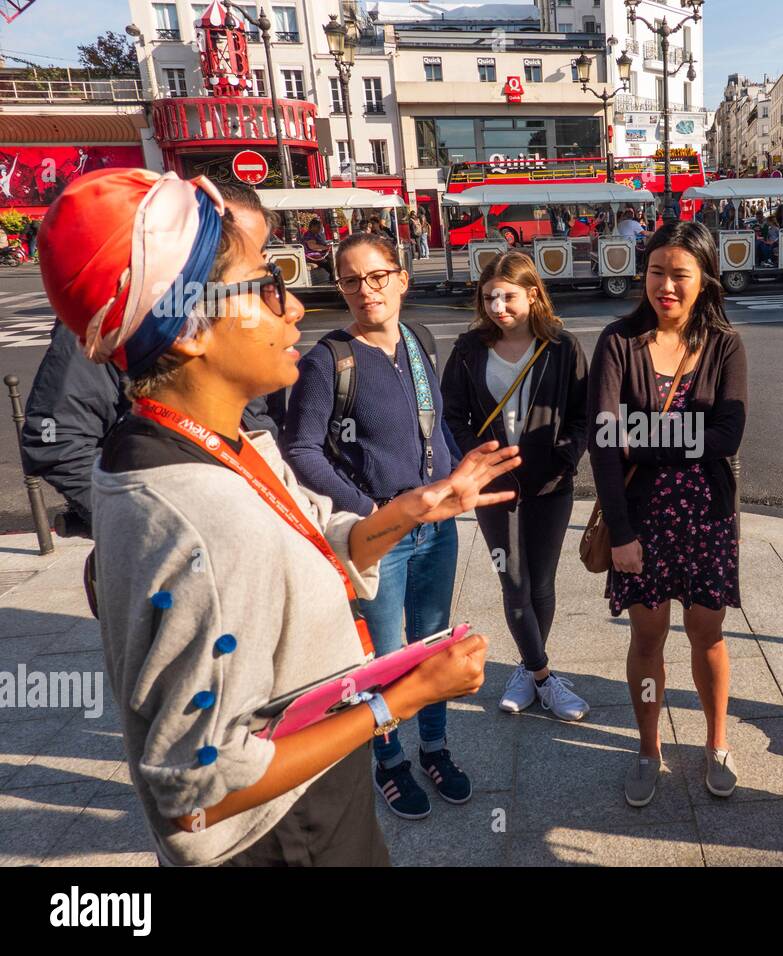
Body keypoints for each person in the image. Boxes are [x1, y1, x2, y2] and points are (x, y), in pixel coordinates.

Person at [37, 167, 517, 866]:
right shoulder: (192, 514)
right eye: (265, 287)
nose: (294, 308)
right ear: (193, 329)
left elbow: (315, 532)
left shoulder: (216, 441)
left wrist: (419, 505)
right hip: (284, 838)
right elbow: (196, 793)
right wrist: (399, 701)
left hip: (318, 803)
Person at [282, 231, 474, 818]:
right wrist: (370, 512)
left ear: (401, 278)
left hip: (437, 526)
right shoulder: (328, 360)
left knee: (435, 643)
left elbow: (433, 427)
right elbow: (302, 450)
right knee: (384, 657)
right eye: (351, 281)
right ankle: (389, 760)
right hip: (380, 536)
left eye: (378, 277)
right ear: (338, 287)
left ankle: (435, 748)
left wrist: (458, 473)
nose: (367, 292)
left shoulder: (420, 340)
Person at [20, 180, 281, 539]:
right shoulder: (123, 320)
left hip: (249, 525)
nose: (248, 267)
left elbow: (256, 420)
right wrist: (149, 529)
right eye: (231, 251)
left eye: (257, 256)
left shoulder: (240, 317)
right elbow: (57, 442)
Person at [588, 221, 747, 807]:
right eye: (657, 272)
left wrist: (642, 435)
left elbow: (728, 434)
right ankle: (649, 748)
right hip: (641, 522)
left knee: (708, 633)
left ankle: (717, 743)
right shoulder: (617, 341)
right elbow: (604, 441)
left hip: (707, 518)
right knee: (648, 636)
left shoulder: (725, 344)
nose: (667, 286)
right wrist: (621, 532)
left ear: (704, 278)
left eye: (681, 274)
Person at [442, 252, 591, 720]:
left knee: (541, 582)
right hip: (493, 487)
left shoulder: (563, 347)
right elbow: (453, 416)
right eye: (489, 297)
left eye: (508, 295)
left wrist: (565, 457)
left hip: (550, 485)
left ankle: (528, 672)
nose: (497, 305)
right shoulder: (469, 348)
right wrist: (479, 460)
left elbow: (583, 415)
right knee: (514, 581)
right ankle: (544, 676)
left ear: (533, 294)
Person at [302, 217, 335, 282]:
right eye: (318, 227)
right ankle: (333, 276)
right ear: (313, 226)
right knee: (326, 263)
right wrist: (325, 247)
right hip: (310, 255)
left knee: (332, 259)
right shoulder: (309, 235)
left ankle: (333, 276)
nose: (320, 228)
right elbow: (312, 246)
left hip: (317, 253)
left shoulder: (316, 234)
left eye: (320, 226)